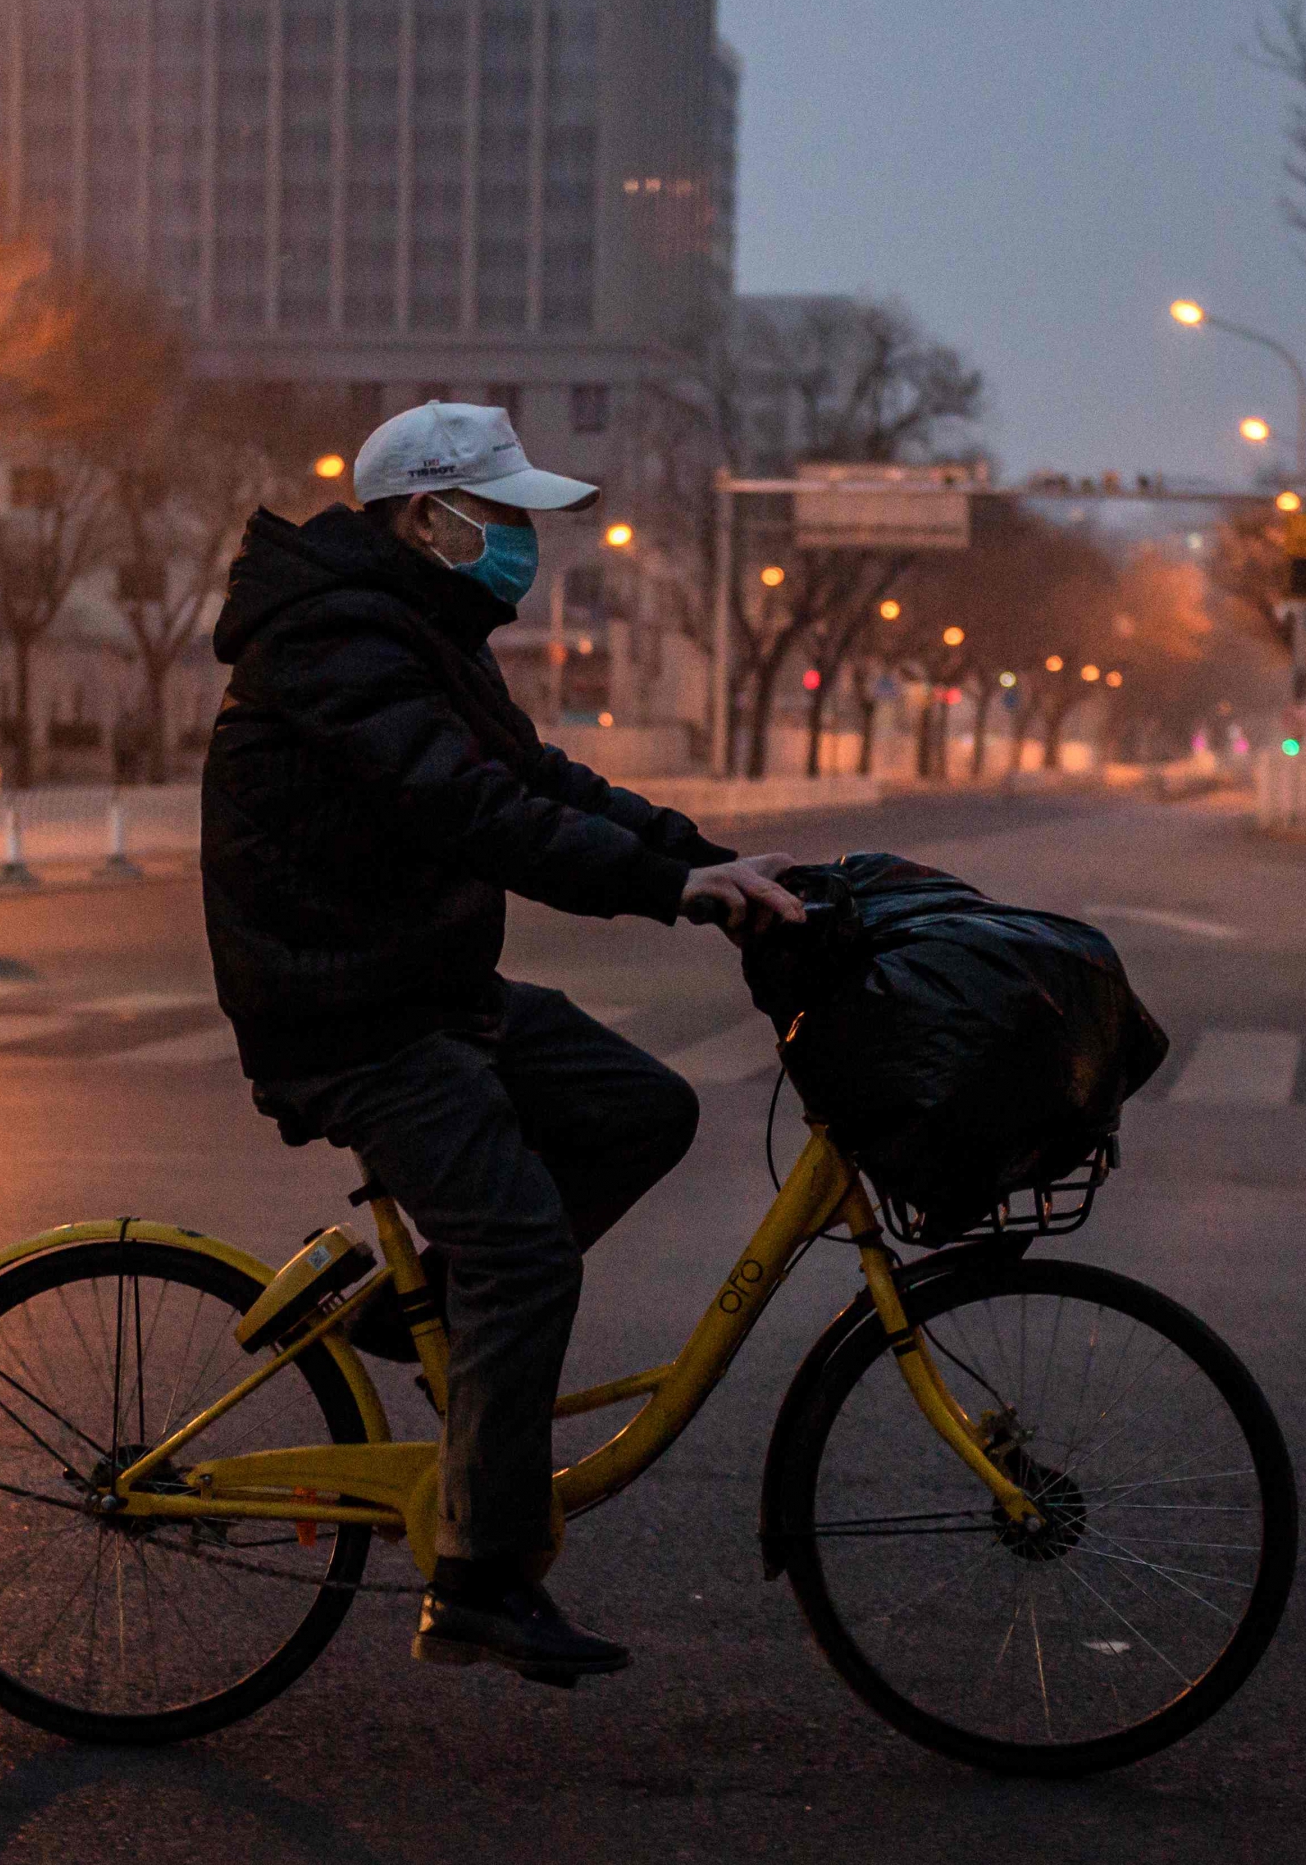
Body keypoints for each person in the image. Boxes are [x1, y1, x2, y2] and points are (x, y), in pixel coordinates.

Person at [200, 401, 803, 1685]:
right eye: (508, 514)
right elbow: (472, 808)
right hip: (348, 1012)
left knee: (646, 1107)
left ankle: (413, 1322)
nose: (528, 540)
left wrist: (709, 861)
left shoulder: (424, 631)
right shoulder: (336, 639)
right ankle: (477, 1577)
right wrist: (663, 893)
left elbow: (544, 780)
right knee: (523, 1253)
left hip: (424, 988)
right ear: (427, 516)